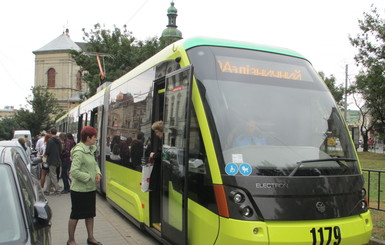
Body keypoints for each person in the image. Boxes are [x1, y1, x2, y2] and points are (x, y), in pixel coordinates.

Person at [67, 126, 102, 245]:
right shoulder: (79, 152)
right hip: (79, 190)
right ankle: (71, 240)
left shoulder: (90, 149)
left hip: (90, 189)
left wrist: (98, 173)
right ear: (88, 138)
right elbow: (74, 171)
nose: (95, 139)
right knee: (75, 215)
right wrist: (89, 177)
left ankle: (91, 238)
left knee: (90, 215)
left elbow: (94, 164)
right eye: (94, 137)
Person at [44, 128, 62, 195]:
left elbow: (48, 151)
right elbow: (60, 150)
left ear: (50, 133)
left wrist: (45, 155)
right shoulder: (58, 141)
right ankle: (47, 190)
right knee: (49, 175)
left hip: (51, 160)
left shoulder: (50, 140)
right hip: (57, 159)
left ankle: (57, 189)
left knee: (52, 174)